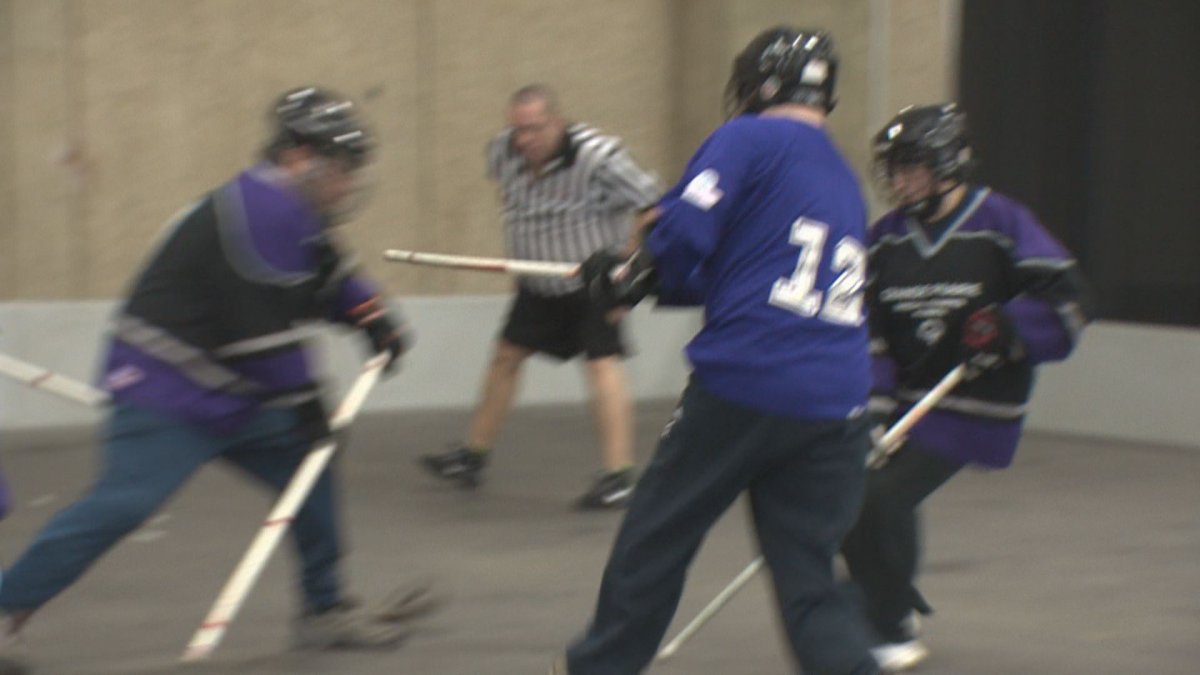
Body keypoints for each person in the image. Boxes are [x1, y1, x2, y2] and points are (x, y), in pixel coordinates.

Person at [0, 87, 430, 675]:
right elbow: (261, 336)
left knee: (310, 469)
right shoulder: (261, 210)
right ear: (302, 156)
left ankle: (325, 608)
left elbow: (330, 271)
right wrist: (308, 402)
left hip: (234, 391)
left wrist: (370, 316)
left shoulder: (296, 212)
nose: (349, 184)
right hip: (167, 390)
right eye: (344, 170)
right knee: (122, 505)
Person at [554, 28, 881, 674]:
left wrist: (635, 270)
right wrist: (648, 279)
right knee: (810, 581)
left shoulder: (746, 138)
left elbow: (683, 238)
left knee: (657, 537)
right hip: (837, 400)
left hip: (748, 382)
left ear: (759, 84)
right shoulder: (841, 175)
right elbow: (747, 269)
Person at [840, 103, 1094, 671]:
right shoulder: (885, 240)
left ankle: (887, 628)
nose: (899, 181)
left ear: (948, 164)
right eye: (894, 169)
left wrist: (1007, 328)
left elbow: (1071, 300)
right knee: (847, 483)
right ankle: (890, 602)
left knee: (881, 495)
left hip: (976, 402)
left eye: (912, 167)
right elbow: (869, 329)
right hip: (908, 402)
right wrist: (873, 411)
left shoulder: (1001, 222)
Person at [419, 84, 661, 509]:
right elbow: (510, 202)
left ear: (557, 122)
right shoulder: (502, 152)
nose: (524, 140)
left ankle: (619, 476)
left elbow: (653, 206)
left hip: (591, 284)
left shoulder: (599, 157)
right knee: (506, 356)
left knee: (602, 365)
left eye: (533, 129)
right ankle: (473, 457)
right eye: (517, 130)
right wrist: (520, 260)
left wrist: (629, 270)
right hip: (538, 283)